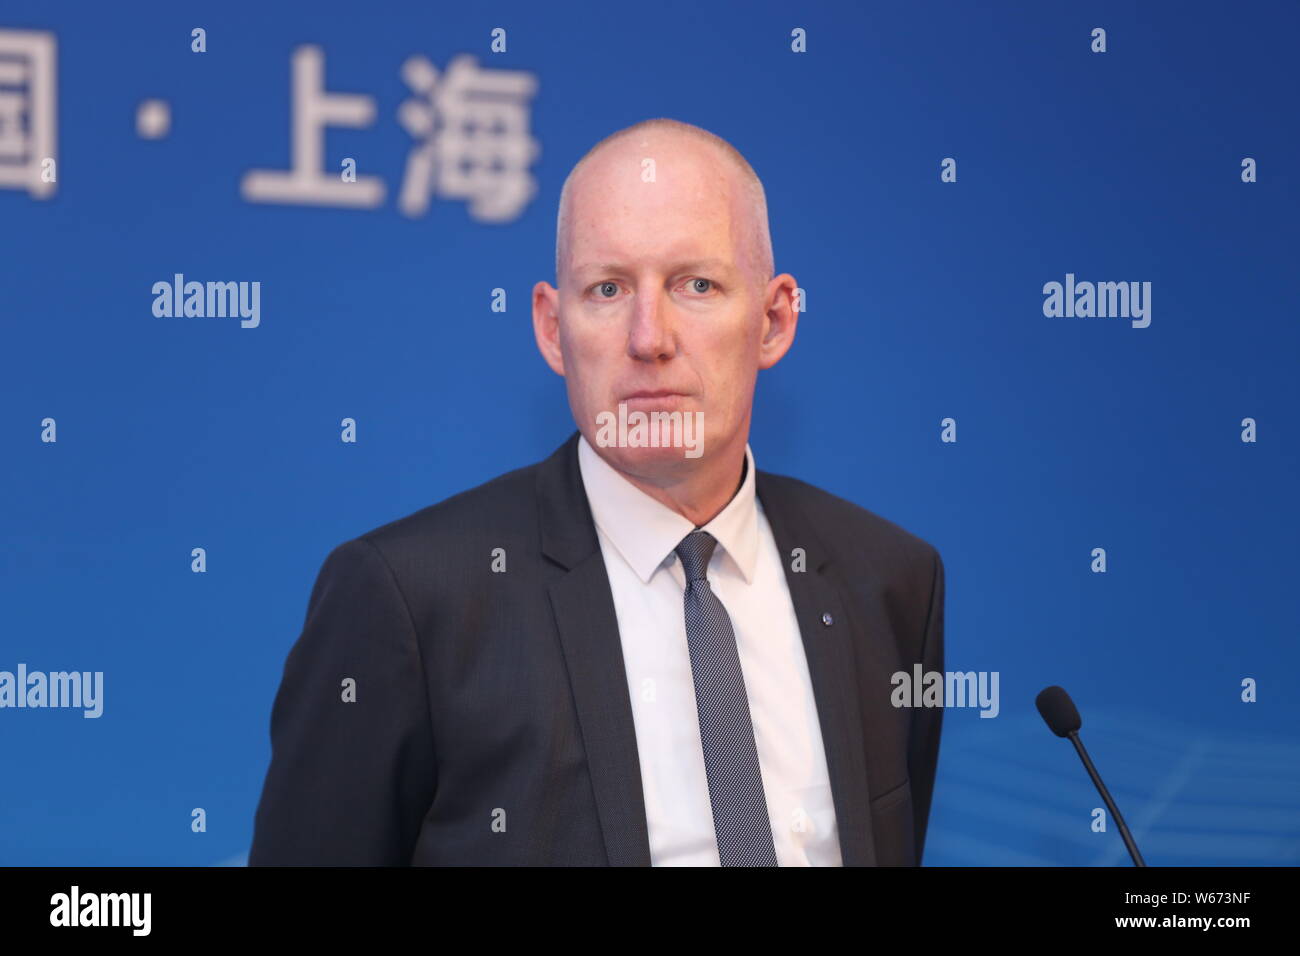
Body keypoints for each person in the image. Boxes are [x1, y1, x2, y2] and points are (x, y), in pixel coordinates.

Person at [249, 118, 945, 866]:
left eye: (697, 285)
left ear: (774, 320)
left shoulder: (891, 582)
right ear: (553, 328)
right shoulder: (411, 600)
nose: (650, 337)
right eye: (608, 289)